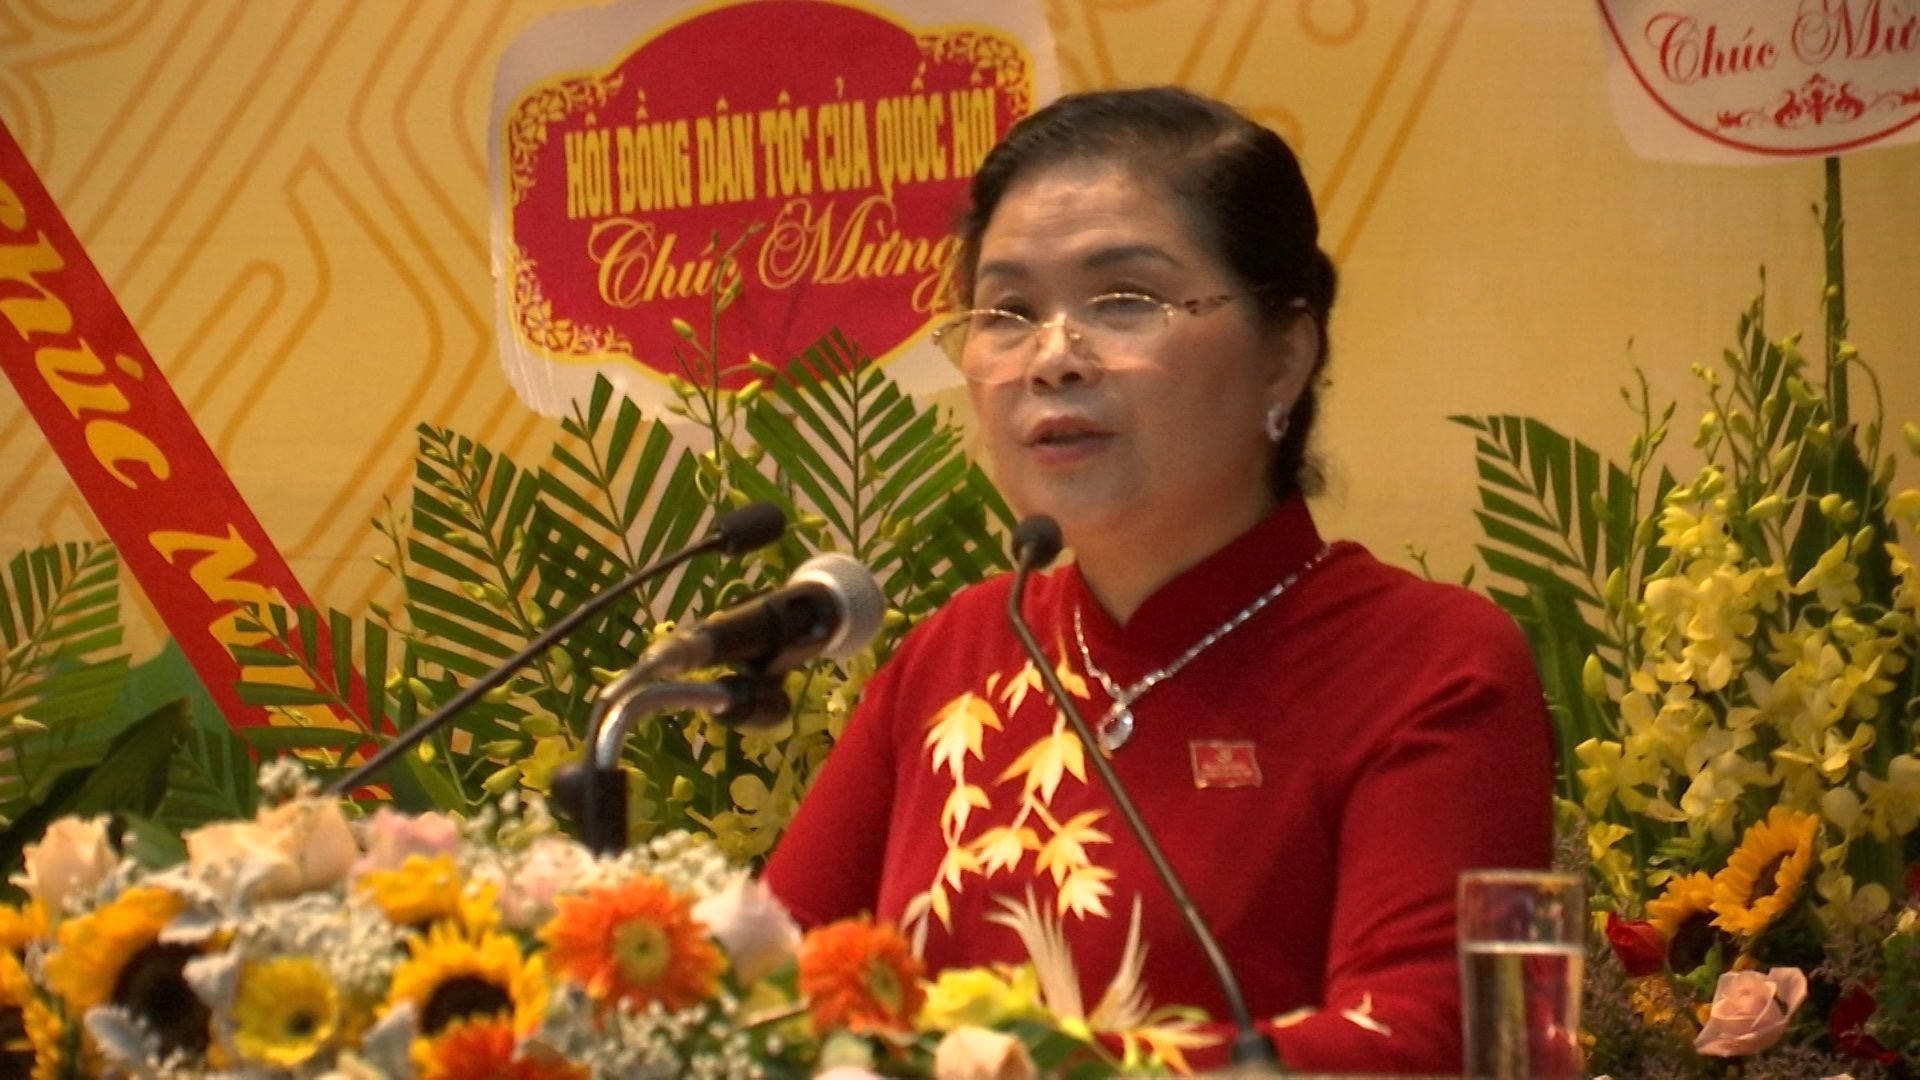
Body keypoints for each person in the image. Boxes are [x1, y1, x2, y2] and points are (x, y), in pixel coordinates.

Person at [762, 86, 1554, 1075]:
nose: (1053, 359)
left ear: (1285, 354)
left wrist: (1020, 1068)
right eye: (1008, 312)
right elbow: (765, 989)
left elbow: (1424, 1044)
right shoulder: (958, 655)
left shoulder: (1427, 664)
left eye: (1125, 301)